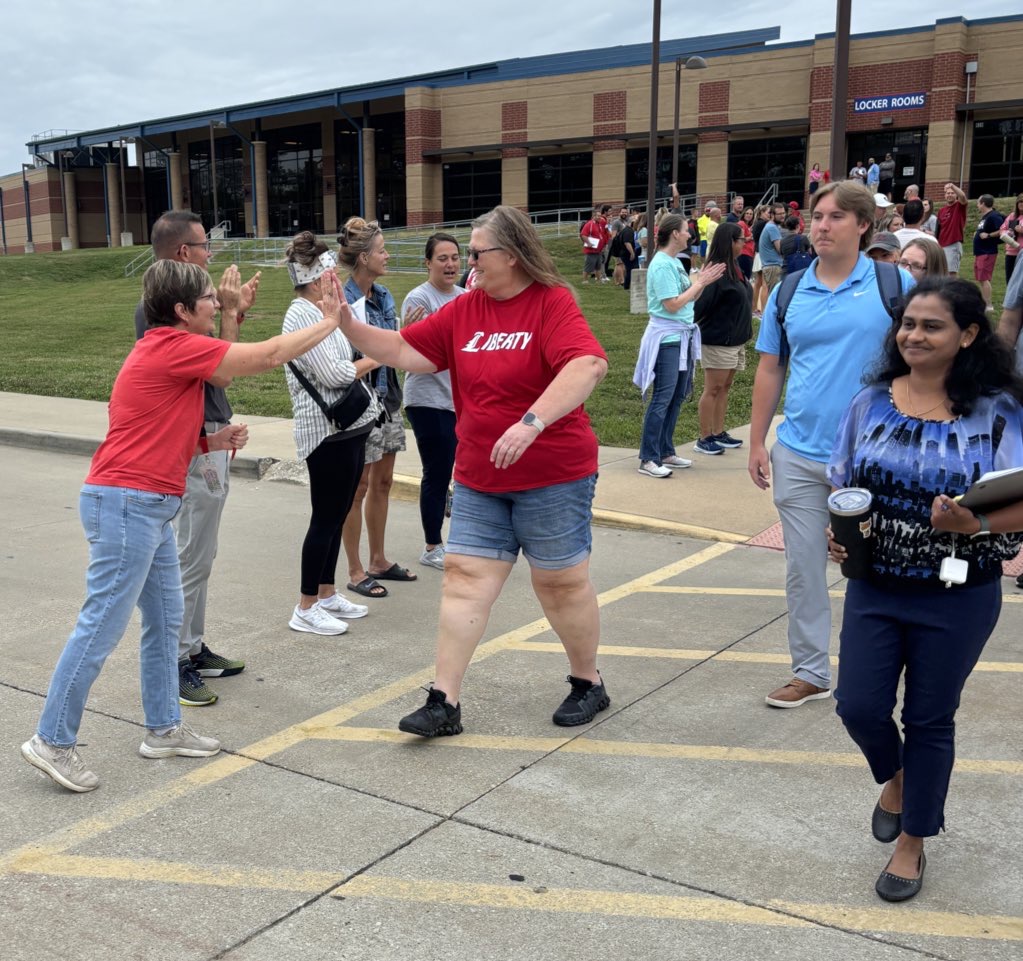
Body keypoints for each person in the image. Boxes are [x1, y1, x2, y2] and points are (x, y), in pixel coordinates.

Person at [21, 259, 349, 792]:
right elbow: (262, 358)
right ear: (181, 310)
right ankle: (51, 739)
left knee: (167, 620)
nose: (215, 304)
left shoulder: (169, 351)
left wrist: (208, 442)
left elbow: (158, 420)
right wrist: (329, 323)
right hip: (127, 503)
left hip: (145, 504)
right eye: (208, 300)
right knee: (100, 626)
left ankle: (163, 729)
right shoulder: (171, 346)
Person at [331, 205, 611, 735]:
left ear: (513, 253)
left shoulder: (551, 304)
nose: (470, 263)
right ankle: (444, 702)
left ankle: (587, 682)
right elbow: (405, 350)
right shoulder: (465, 310)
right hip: (482, 476)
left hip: (553, 473)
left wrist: (531, 422)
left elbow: (587, 364)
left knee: (560, 583)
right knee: (463, 580)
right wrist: (346, 322)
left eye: (478, 253)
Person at [827, 278, 1023, 902]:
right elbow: (842, 484)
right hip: (876, 584)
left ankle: (912, 842)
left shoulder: (999, 410)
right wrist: (838, 539)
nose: (913, 335)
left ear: (967, 336)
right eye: (907, 323)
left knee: (929, 717)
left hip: (959, 591)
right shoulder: (868, 403)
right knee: (857, 705)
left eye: (930, 326)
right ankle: (902, 778)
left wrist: (975, 523)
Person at [747, 180, 914, 708]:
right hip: (798, 450)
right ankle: (811, 672)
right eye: (817, 216)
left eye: (836, 216)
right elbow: (771, 367)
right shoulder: (789, 290)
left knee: (876, 565)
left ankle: (888, 669)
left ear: (863, 226)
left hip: (876, 455)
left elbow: (925, 361)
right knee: (803, 566)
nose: (821, 225)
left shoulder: (895, 284)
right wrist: (757, 440)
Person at [132, 212, 261, 708]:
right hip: (194, 439)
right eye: (205, 245)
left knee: (201, 554)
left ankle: (191, 645)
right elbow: (222, 372)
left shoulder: (184, 305)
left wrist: (231, 313)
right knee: (188, 555)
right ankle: (176, 660)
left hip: (212, 434)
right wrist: (227, 315)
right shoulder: (161, 309)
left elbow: (218, 361)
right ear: (183, 252)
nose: (212, 253)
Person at [282, 232, 378, 636]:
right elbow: (337, 373)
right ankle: (305, 606)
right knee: (325, 517)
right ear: (315, 275)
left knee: (337, 514)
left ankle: (326, 592)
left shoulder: (323, 311)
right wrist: (376, 359)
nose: (335, 274)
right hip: (326, 432)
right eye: (328, 269)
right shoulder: (302, 315)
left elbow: (345, 357)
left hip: (348, 427)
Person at [338, 217, 416, 599]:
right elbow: (351, 356)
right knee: (358, 487)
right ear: (364, 257)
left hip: (387, 399)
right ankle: (354, 570)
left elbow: (393, 347)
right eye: (382, 250)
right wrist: (391, 343)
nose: (387, 255)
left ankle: (378, 559)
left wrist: (404, 337)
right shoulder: (342, 299)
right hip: (358, 405)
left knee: (383, 483)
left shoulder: (383, 297)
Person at [635, 214, 726, 477]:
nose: (690, 235)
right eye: (686, 230)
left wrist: (703, 281)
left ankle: (665, 451)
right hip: (667, 339)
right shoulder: (662, 265)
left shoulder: (674, 262)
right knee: (663, 397)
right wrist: (698, 283)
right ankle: (648, 458)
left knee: (676, 396)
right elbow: (672, 304)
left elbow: (689, 296)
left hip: (681, 336)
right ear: (674, 233)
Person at [401, 233, 466, 571]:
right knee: (438, 473)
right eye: (442, 258)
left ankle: (458, 540)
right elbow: (424, 352)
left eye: (455, 257)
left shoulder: (466, 297)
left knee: (459, 473)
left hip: (459, 400)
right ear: (428, 263)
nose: (450, 264)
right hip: (427, 400)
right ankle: (432, 546)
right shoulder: (419, 298)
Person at [693, 223, 752, 455]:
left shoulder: (734, 267)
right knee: (713, 388)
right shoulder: (716, 271)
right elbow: (700, 308)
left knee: (725, 386)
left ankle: (718, 431)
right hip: (718, 340)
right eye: (741, 240)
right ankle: (704, 437)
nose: (744, 243)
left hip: (735, 340)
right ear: (730, 242)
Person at [974, 195, 1005, 313]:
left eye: (978, 203)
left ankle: (989, 305)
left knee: (984, 278)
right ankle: (984, 302)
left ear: (982, 203)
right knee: (981, 278)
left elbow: (1002, 229)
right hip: (980, 251)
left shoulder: (994, 216)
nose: (977, 205)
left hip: (987, 251)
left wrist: (989, 235)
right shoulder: (985, 217)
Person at [936, 182, 968, 276]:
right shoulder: (941, 210)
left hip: (953, 244)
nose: (950, 195)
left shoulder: (959, 206)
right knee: (941, 273)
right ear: (945, 195)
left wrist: (952, 186)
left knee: (951, 274)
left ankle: (952, 291)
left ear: (956, 195)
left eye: (952, 193)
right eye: (947, 193)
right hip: (941, 245)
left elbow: (962, 196)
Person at [758, 203, 785, 296]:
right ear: (772, 215)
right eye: (780, 214)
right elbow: (780, 249)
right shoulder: (772, 228)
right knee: (775, 296)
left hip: (771, 266)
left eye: (783, 213)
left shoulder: (772, 226)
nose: (783, 216)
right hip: (773, 266)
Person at [751, 204, 772, 316]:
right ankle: (763, 311)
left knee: (758, 283)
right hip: (763, 255)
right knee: (765, 284)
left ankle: (754, 309)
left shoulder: (757, 223)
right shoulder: (764, 224)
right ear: (762, 213)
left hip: (759, 254)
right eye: (769, 212)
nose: (771, 215)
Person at [580, 205, 609, 284]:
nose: (600, 217)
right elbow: (583, 234)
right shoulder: (589, 224)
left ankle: (598, 280)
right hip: (591, 250)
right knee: (588, 266)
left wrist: (603, 245)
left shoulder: (598, 224)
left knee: (598, 266)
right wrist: (588, 243)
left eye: (600, 216)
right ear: (594, 216)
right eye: (598, 216)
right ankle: (585, 280)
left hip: (598, 250)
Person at [1001, 193, 1023, 284]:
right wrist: (1007, 233)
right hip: (1010, 251)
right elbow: (1002, 229)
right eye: (1020, 202)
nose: (1022, 204)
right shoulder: (1012, 216)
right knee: (1009, 279)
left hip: (1021, 253)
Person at [737, 206, 755, 281]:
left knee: (746, 277)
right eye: (747, 213)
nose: (749, 215)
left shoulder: (747, 225)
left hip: (749, 254)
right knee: (745, 278)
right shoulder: (741, 223)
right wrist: (750, 237)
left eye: (751, 214)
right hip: (744, 254)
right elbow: (739, 237)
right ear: (743, 214)